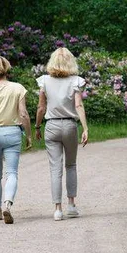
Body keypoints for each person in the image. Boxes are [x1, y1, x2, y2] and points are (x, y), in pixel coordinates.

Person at [35, 48, 89, 221]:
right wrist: (85, 128)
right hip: (70, 125)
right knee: (71, 165)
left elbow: (41, 107)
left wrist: (37, 126)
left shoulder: (44, 81)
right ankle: (71, 205)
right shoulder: (76, 81)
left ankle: (57, 209)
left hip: (51, 125)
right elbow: (79, 105)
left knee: (55, 168)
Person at [0, 56, 33, 224]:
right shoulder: (18, 88)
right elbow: (23, 113)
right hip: (12, 132)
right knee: (12, 173)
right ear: (7, 69)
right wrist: (29, 135)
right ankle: (7, 206)